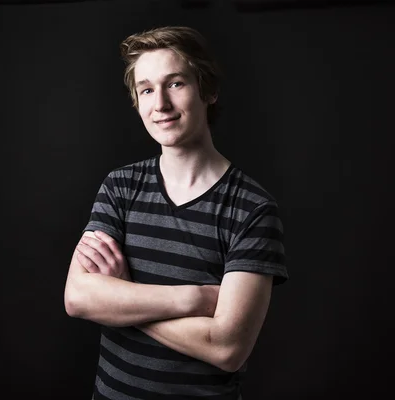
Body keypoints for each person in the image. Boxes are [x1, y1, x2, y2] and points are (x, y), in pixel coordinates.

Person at [63, 26, 288, 400]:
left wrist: (124, 296)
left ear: (209, 91)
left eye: (176, 84)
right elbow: (79, 298)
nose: (161, 105)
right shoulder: (120, 186)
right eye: (147, 89)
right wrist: (195, 300)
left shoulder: (253, 208)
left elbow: (227, 349)